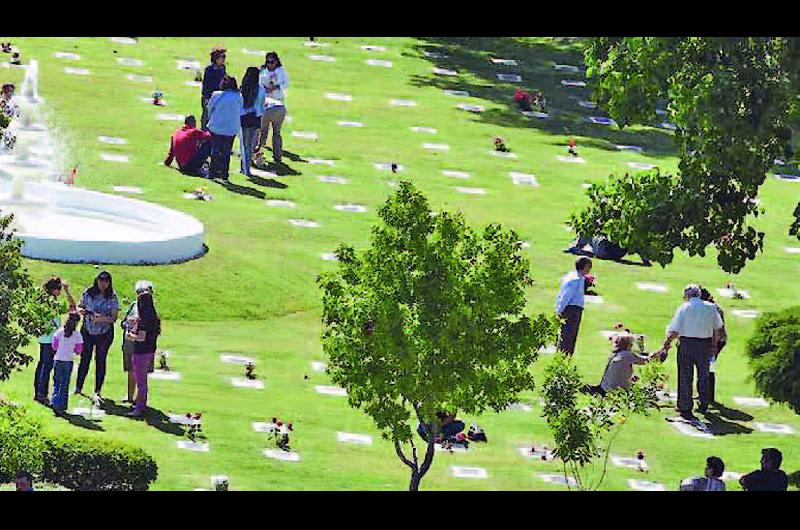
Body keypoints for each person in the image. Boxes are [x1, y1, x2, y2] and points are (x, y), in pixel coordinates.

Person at [662, 284, 724, 421]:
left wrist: (666, 343)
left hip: (687, 344)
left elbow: (675, 330)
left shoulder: (684, 308)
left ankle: (685, 405)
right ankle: (704, 402)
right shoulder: (711, 307)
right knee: (704, 375)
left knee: (685, 375)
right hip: (705, 344)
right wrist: (714, 344)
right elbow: (717, 329)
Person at [75, 270, 119, 400]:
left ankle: (97, 390)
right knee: (84, 359)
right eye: (101, 281)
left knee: (100, 360)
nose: (103, 284)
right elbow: (79, 306)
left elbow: (114, 317)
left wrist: (101, 318)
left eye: (106, 281)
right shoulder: (88, 292)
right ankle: (78, 387)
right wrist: (83, 311)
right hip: (87, 331)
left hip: (104, 333)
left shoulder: (112, 297)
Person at [33, 277, 75, 404]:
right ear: (53, 289)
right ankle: (42, 394)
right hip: (50, 339)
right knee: (47, 366)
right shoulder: (51, 302)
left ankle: (38, 391)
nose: (60, 291)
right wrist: (68, 292)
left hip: (44, 337)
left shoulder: (44, 300)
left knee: (42, 364)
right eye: (59, 289)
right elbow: (72, 307)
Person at [584, 334, 666, 396]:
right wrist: (662, 352)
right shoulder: (626, 355)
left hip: (605, 387)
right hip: (616, 390)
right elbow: (647, 361)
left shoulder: (616, 355)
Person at [125, 287, 161, 417]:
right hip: (150, 350)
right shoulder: (154, 318)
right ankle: (142, 404)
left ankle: (139, 408)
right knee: (143, 380)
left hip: (141, 352)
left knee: (141, 382)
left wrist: (130, 335)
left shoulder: (144, 320)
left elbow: (140, 337)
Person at [121, 281, 155, 404]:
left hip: (143, 345)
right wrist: (129, 324)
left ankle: (140, 401)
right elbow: (123, 322)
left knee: (142, 374)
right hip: (130, 343)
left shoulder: (150, 308)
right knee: (130, 369)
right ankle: (130, 397)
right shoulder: (133, 305)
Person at [207, 75, 243, 181]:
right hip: (230, 128)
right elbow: (240, 110)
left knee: (215, 150)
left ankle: (212, 173)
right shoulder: (238, 96)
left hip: (216, 126)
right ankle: (224, 174)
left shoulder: (216, 95)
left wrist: (211, 119)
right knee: (226, 151)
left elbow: (210, 108)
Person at [555, 257, 592, 355]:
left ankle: (565, 357)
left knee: (569, 337)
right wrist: (559, 311)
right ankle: (563, 358)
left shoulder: (576, 277)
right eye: (589, 266)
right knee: (568, 337)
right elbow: (565, 296)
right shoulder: (575, 280)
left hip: (573, 309)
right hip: (571, 310)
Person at [257, 52, 289, 164]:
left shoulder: (281, 71)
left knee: (276, 132)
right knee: (262, 131)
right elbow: (259, 84)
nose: (270, 64)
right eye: (268, 62)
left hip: (277, 103)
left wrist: (275, 87)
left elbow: (285, 84)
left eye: (272, 62)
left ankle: (277, 155)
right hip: (265, 103)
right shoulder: (263, 72)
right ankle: (259, 153)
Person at [51, 312, 83, 414]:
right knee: (65, 384)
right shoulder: (77, 335)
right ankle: (62, 406)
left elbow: (54, 346)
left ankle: (55, 402)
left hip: (58, 359)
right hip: (68, 361)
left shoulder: (59, 331)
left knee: (57, 383)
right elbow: (79, 351)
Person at [700, 287, 726, 404]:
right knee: (705, 367)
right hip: (710, 340)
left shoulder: (713, 309)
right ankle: (705, 394)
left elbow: (717, 329)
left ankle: (708, 396)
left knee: (708, 367)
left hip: (716, 341)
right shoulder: (711, 307)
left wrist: (713, 345)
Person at [239, 67, 266, 176]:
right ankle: (247, 168)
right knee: (250, 145)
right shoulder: (261, 89)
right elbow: (262, 106)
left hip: (244, 118)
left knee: (244, 144)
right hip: (255, 118)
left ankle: (243, 167)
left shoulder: (243, 89)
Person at [201, 47, 226, 129]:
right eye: (222, 57)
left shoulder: (223, 69)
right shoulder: (209, 70)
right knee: (206, 119)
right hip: (209, 98)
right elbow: (206, 86)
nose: (224, 59)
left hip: (219, 98)